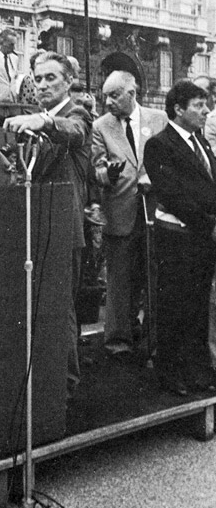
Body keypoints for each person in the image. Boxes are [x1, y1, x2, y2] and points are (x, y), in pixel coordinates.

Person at [3, 51, 92, 397]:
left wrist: (45, 123)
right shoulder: (33, 119)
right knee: (37, 306)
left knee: (60, 306)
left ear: (68, 81)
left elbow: (77, 132)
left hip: (64, 227)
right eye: (37, 79)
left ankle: (65, 385)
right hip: (34, 223)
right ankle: (43, 379)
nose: (42, 85)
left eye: (50, 78)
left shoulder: (75, 112)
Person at [144, 81, 216, 397]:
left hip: (202, 237)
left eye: (206, 105)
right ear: (178, 109)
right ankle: (170, 373)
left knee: (198, 306)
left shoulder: (201, 143)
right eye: (198, 105)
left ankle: (197, 370)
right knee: (174, 306)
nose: (206, 111)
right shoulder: (160, 145)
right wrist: (208, 224)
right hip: (178, 238)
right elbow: (172, 195)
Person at [92, 71, 167, 358]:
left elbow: (166, 159)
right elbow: (96, 170)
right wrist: (106, 175)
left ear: (131, 93)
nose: (108, 101)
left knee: (154, 277)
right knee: (119, 280)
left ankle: (152, 340)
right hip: (120, 211)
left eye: (114, 95)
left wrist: (153, 178)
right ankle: (118, 342)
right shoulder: (101, 126)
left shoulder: (158, 119)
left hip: (153, 210)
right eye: (105, 97)